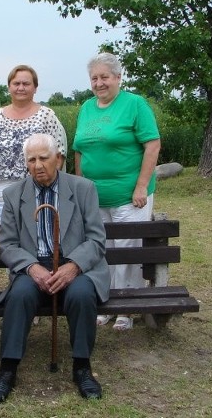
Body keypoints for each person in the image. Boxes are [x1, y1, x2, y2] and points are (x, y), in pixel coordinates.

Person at [0, 133, 110, 404]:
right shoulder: (13, 194)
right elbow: (7, 245)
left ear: (59, 159)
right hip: (34, 268)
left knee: (80, 294)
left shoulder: (83, 188)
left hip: (75, 266)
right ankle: (7, 369)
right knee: (19, 295)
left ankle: (82, 367)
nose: (38, 165)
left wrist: (73, 266)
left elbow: (96, 240)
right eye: (31, 160)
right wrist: (31, 268)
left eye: (44, 158)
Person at [73, 52, 161, 331]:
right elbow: (79, 149)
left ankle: (127, 308)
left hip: (129, 196)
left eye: (105, 77)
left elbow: (152, 145)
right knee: (103, 250)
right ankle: (106, 303)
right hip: (95, 197)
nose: (99, 83)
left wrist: (141, 186)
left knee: (127, 251)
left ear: (118, 78)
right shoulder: (87, 108)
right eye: (94, 78)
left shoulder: (134, 105)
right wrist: (80, 185)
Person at [0, 64, 67, 223]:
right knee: (8, 235)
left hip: (38, 187)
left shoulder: (46, 115)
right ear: (9, 87)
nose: (21, 88)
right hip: (1, 190)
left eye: (26, 84)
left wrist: (48, 184)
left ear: (35, 88)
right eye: (16, 83)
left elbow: (59, 153)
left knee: (36, 232)